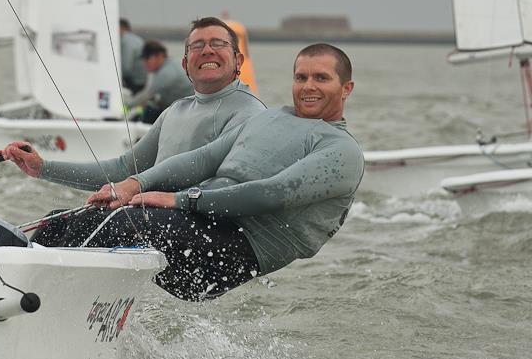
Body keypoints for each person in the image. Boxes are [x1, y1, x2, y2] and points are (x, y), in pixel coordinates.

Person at [33, 44, 365, 302]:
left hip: (236, 250)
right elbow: (204, 159)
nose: (308, 86)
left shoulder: (342, 150)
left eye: (321, 78)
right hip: (199, 223)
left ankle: (51, 305)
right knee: (60, 223)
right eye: (301, 77)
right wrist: (135, 184)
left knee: (124, 223)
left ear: (346, 89)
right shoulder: (271, 117)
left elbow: (269, 194)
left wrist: (178, 200)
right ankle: (25, 296)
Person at [1, 16, 265, 192]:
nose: (207, 50)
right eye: (197, 45)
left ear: (239, 61)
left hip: (193, 228)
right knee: (55, 225)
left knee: (110, 226)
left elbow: (233, 188)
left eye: (217, 44)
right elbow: (124, 169)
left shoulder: (249, 112)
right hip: (153, 215)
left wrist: (146, 193)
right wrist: (43, 168)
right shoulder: (175, 111)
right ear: (186, 64)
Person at [126, 40, 194, 124]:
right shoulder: (170, 64)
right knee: (148, 107)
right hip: (181, 106)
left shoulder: (165, 73)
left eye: (147, 58)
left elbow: (146, 95)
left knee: (149, 111)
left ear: (160, 56)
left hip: (188, 111)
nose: (144, 63)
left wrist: (124, 107)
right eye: (143, 59)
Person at [119, 18, 147, 94]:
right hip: (143, 80)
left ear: (121, 27)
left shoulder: (126, 40)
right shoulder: (138, 39)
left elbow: (126, 67)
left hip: (134, 83)